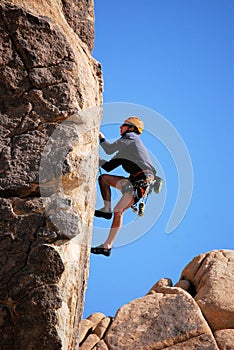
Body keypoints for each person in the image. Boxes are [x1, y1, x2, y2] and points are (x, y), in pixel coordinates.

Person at [91, 116, 156, 257]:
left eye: (124, 125)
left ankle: (107, 246)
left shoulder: (131, 137)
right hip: (133, 181)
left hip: (142, 181)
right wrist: (93, 157)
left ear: (132, 128)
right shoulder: (127, 148)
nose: (121, 127)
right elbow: (108, 166)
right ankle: (106, 210)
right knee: (104, 179)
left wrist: (101, 137)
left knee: (119, 211)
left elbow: (109, 149)